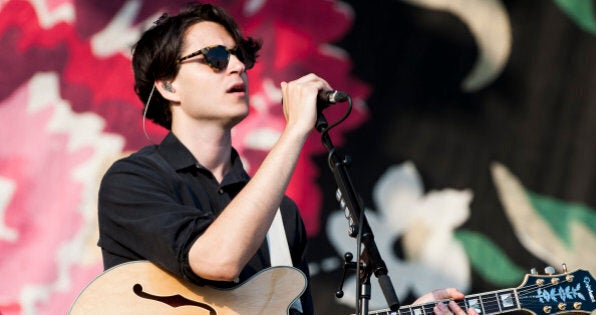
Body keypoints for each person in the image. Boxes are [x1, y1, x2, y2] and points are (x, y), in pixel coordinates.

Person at [96, 3, 478, 315]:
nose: (237, 66)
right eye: (214, 57)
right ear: (167, 84)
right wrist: (295, 129)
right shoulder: (133, 179)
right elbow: (216, 260)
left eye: (239, 55)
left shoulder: (281, 218)